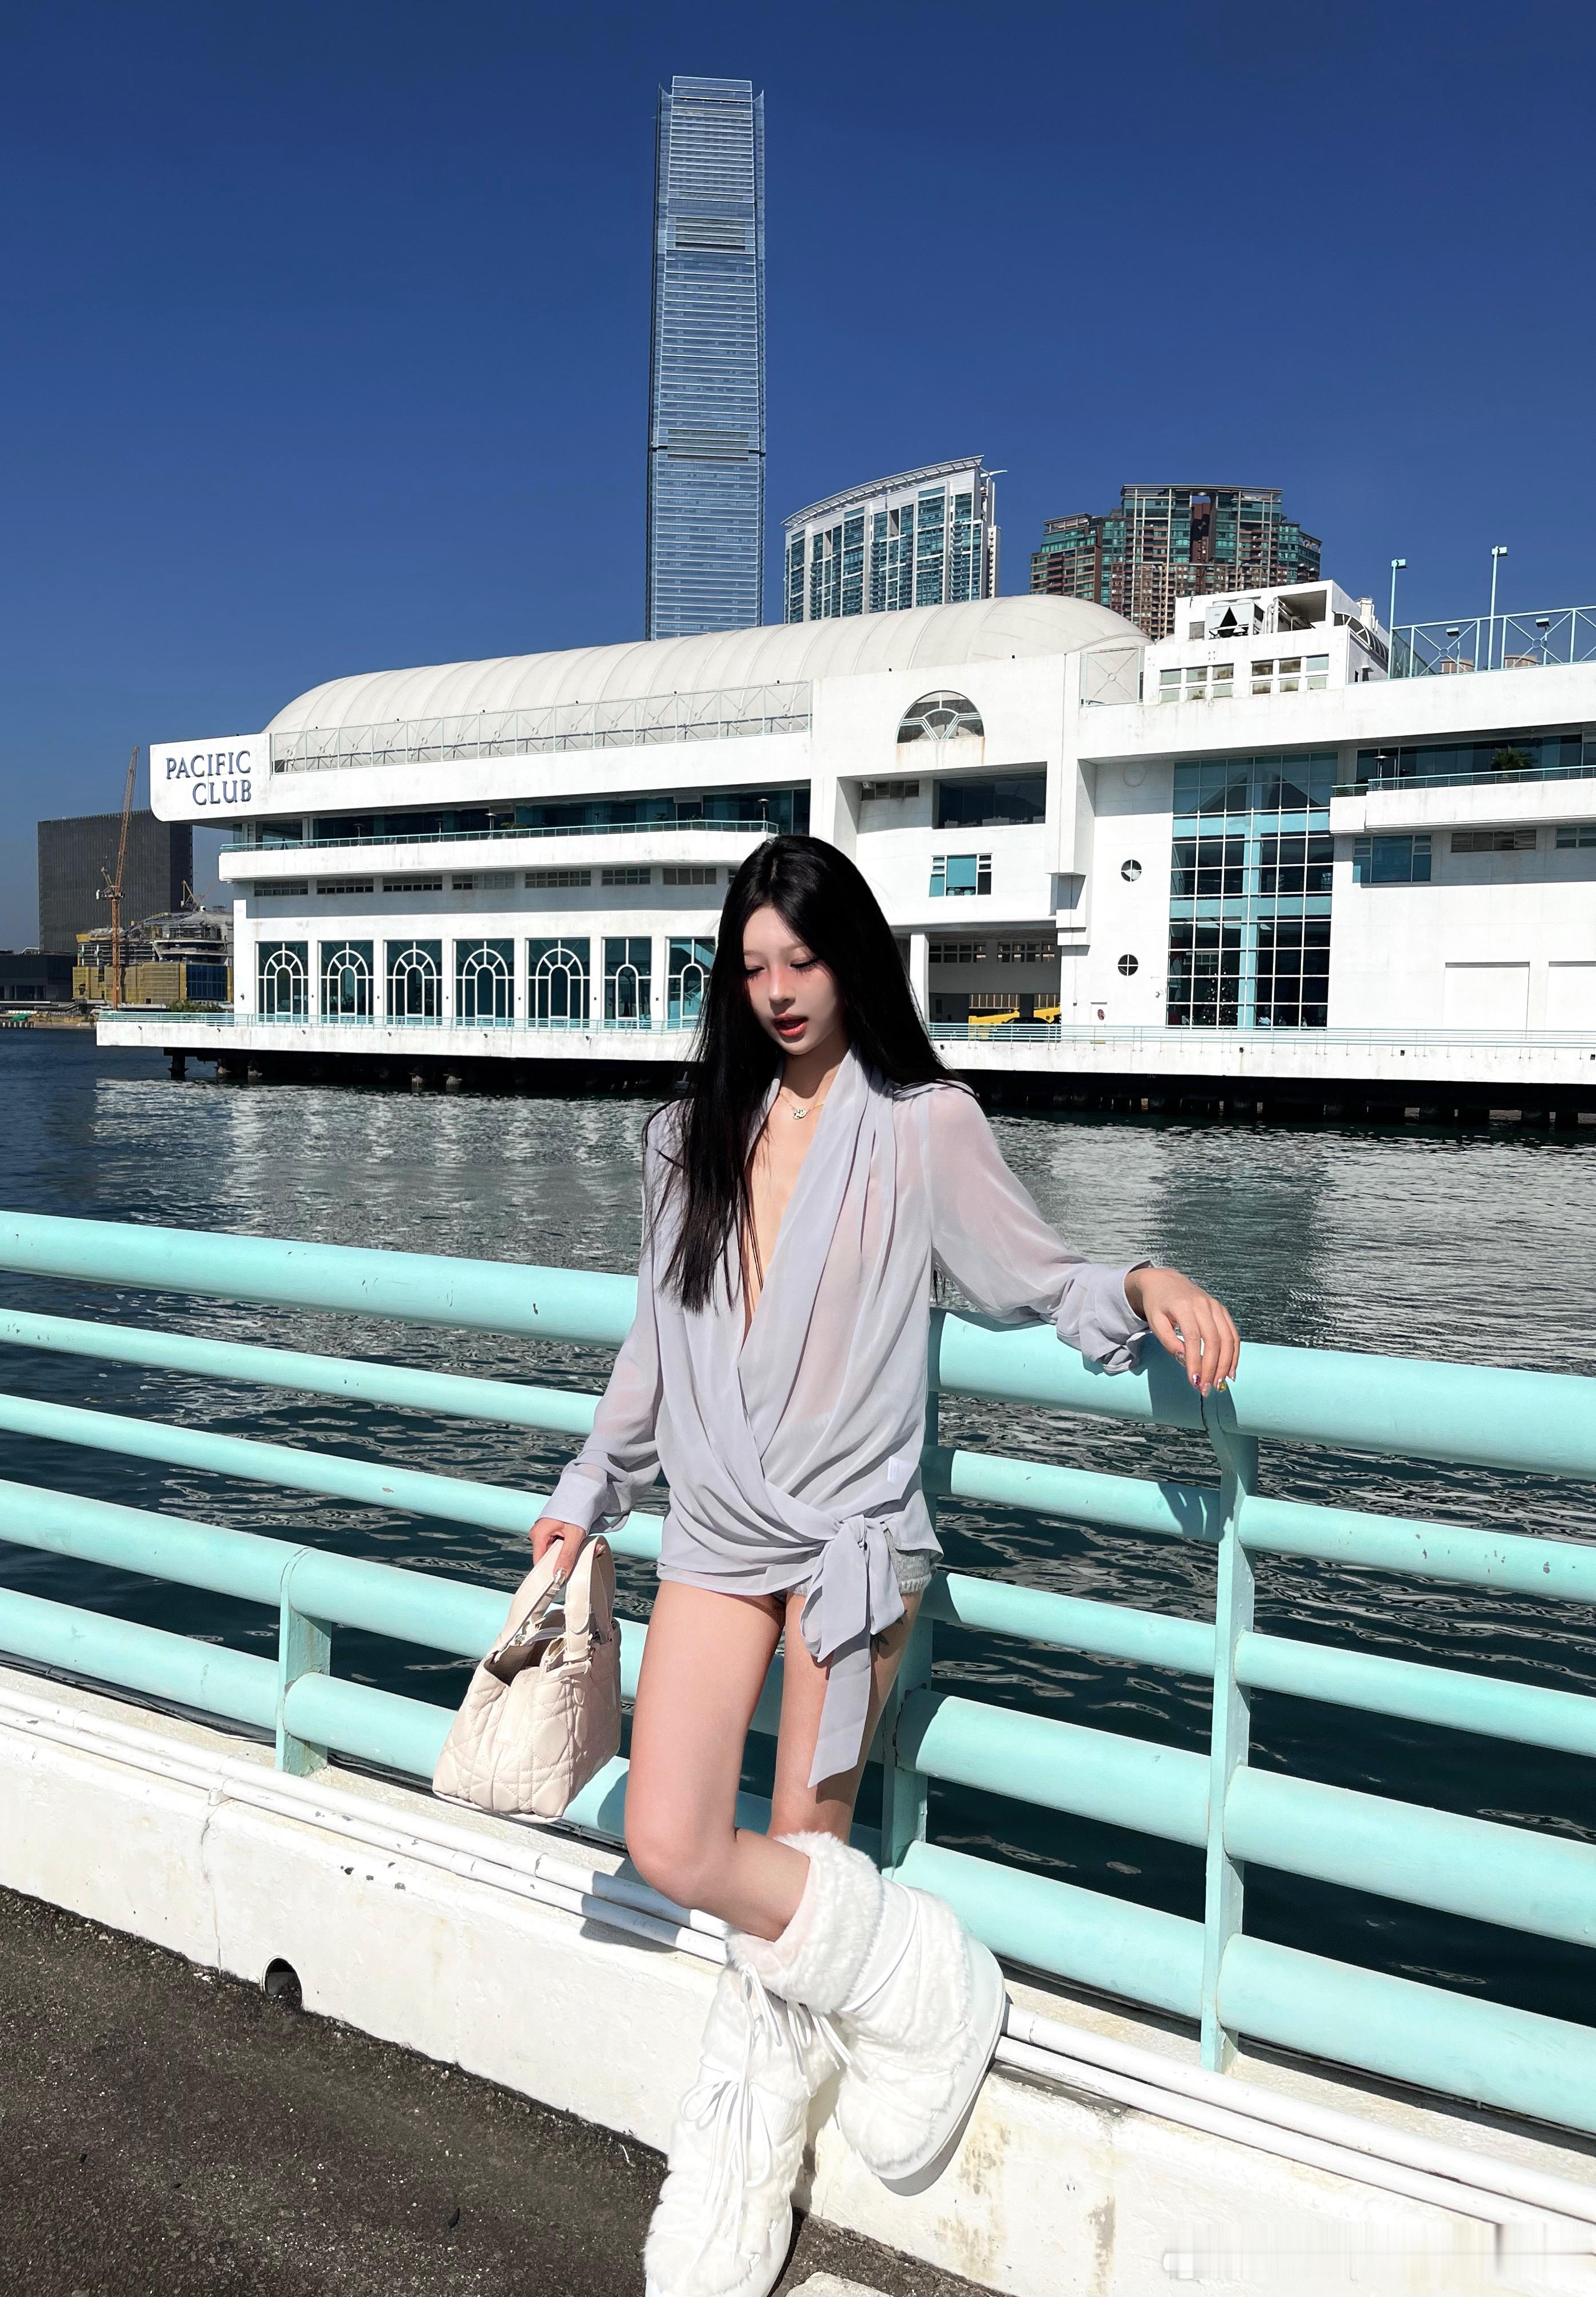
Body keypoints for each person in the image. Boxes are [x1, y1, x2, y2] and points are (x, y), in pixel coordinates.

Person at [528, 835, 1239, 2297]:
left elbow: (1029, 1276)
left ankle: (744, 2156)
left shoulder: (925, 1125)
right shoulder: (684, 1138)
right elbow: (654, 1342)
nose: (780, 992)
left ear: (853, 960)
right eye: (753, 968)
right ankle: (922, 1978)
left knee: (801, 1858)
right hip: (718, 1530)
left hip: (853, 1546)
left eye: (804, 960)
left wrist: (1142, 1279)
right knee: (673, 1838)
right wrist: (589, 1492)